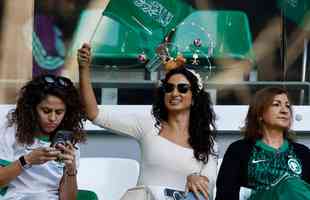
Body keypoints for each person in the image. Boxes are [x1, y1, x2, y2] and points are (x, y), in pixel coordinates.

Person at [78, 43, 218, 200]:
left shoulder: (208, 142)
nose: (174, 93)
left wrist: (196, 178)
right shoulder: (147, 125)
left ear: (194, 98)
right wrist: (83, 69)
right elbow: (94, 114)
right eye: (169, 88)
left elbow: (208, 184)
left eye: (183, 88)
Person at [0, 75, 86, 200]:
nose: (52, 118)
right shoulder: (12, 131)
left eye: (59, 112)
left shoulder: (69, 142)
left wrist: (71, 169)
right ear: (32, 109)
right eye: (46, 111)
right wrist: (27, 160)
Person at [215, 87, 310, 200]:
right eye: (276, 104)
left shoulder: (302, 152)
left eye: (287, 106)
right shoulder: (240, 149)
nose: (284, 110)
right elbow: (225, 194)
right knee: (291, 185)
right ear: (259, 113)